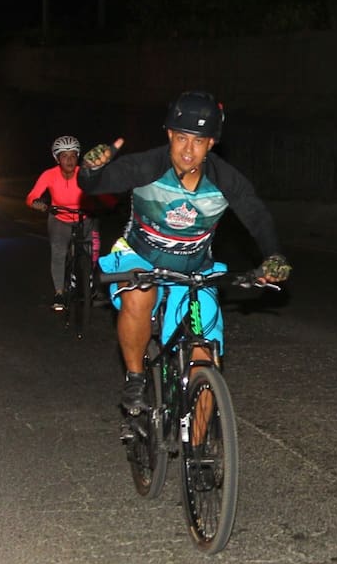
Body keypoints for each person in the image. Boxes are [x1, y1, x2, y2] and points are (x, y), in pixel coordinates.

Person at [77, 90, 292, 436]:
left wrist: (274, 255)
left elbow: (258, 217)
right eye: (180, 138)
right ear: (169, 136)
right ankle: (134, 379)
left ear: (211, 145)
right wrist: (90, 171)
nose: (187, 150)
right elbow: (95, 185)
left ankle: (200, 453)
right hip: (139, 257)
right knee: (139, 290)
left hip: (193, 270)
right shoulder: (147, 166)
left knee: (204, 360)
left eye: (198, 141)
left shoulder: (225, 180)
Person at [26, 135, 103, 311]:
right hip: (59, 218)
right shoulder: (49, 175)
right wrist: (38, 204)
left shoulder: (84, 174)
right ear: (57, 158)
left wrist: (110, 202)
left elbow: (101, 192)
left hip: (84, 217)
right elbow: (32, 196)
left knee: (92, 251)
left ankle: (90, 283)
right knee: (59, 252)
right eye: (64, 156)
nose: (69, 160)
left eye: (73, 155)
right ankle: (59, 293)